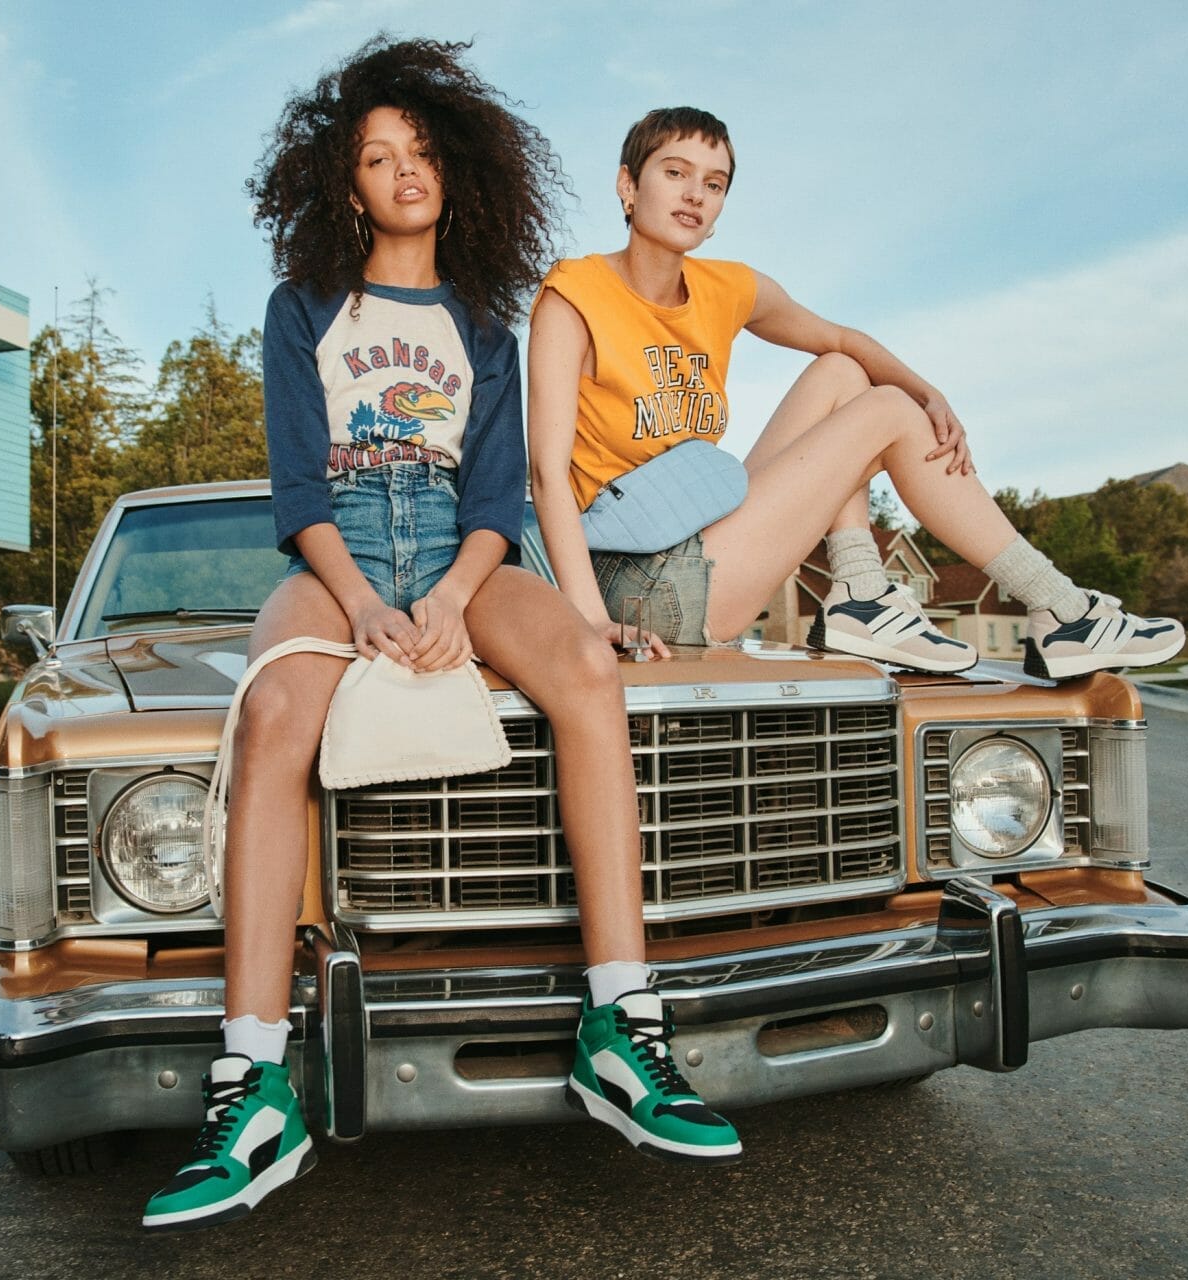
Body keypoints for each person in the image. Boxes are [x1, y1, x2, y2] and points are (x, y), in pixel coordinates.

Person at [142, 44, 740, 1234]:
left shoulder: (483, 322)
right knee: (274, 706)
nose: (403, 171)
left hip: (466, 550)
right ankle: (252, 1080)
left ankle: (622, 1022)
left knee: (585, 667)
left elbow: (497, 497)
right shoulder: (303, 307)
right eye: (377, 158)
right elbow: (297, 487)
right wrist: (363, 602)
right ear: (345, 184)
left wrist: (458, 597)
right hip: (342, 544)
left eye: (419, 151)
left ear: (458, 168)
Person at [528, 106, 1185, 681]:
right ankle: (1060, 608)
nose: (695, 194)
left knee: (844, 375)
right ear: (628, 185)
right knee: (887, 413)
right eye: (675, 173)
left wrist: (930, 393)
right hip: (633, 585)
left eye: (714, 183)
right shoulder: (575, 296)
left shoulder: (726, 287)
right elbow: (547, 475)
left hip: (702, 539)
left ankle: (861, 594)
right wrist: (590, 621)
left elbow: (842, 338)